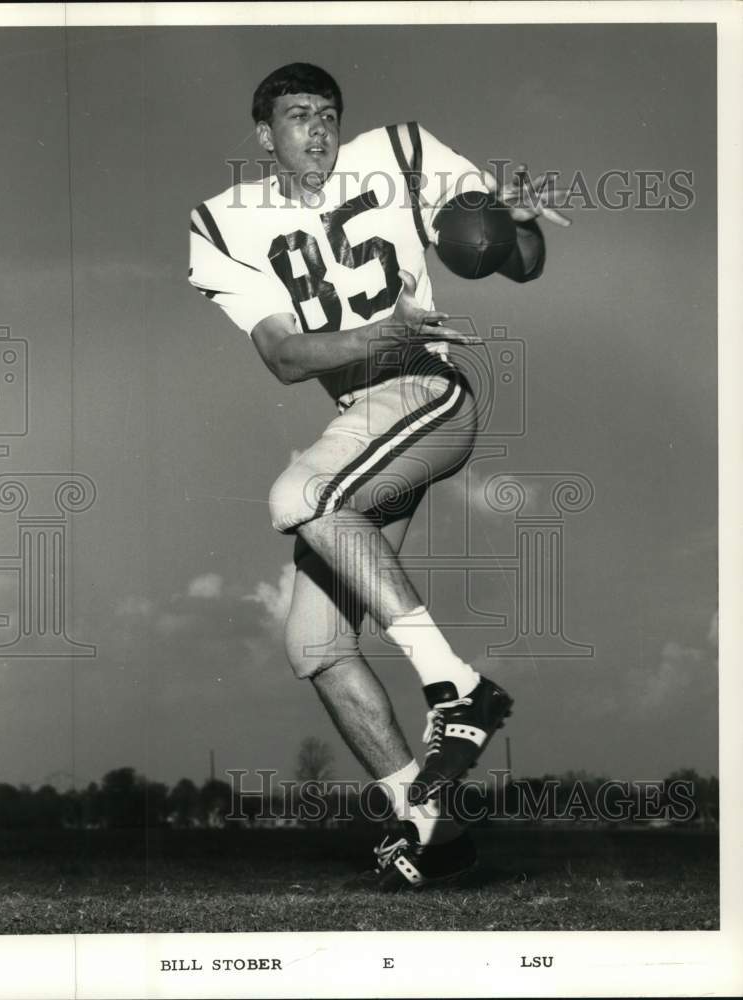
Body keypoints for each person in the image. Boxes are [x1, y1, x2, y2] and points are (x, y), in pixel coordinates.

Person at [189, 63, 569, 890]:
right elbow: (286, 357)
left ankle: (457, 688)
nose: (318, 132)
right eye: (298, 118)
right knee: (314, 644)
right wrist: (377, 334)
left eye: (328, 114)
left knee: (299, 494)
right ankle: (431, 824)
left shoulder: (397, 152)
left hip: (427, 391)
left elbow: (513, 260)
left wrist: (520, 226)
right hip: (358, 419)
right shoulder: (223, 222)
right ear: (265, 135)